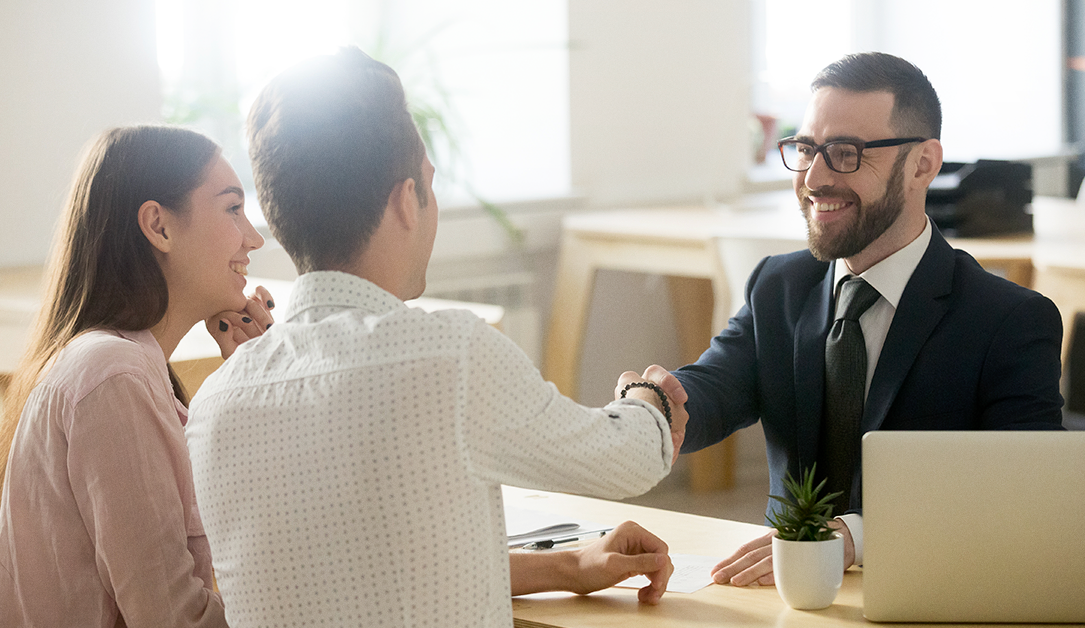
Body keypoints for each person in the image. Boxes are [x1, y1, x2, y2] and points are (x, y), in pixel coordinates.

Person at [183, 47, 686, 628]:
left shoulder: (213, 408)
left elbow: (363, 566)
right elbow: (631, 461)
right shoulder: (450, 356)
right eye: (429, 185)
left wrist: (568, 565)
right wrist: (645, 397)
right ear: (405, 200)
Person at [626, 52, 1064, 586]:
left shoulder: (1010, 322)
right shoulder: (779, 285)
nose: (813, 177)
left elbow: (1024, 495)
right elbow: (714, 386)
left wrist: (852, 538)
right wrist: (655, 402)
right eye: (807, 148)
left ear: (923, 164)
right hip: (782, 596)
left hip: (932, 592)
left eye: (846, 154)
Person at [0, 125, 276, 626]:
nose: (253, 238)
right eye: (234, 208)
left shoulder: (123, 371)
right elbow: (172, 617)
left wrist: (244, 384)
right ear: (159, 226)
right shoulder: (112, 376)